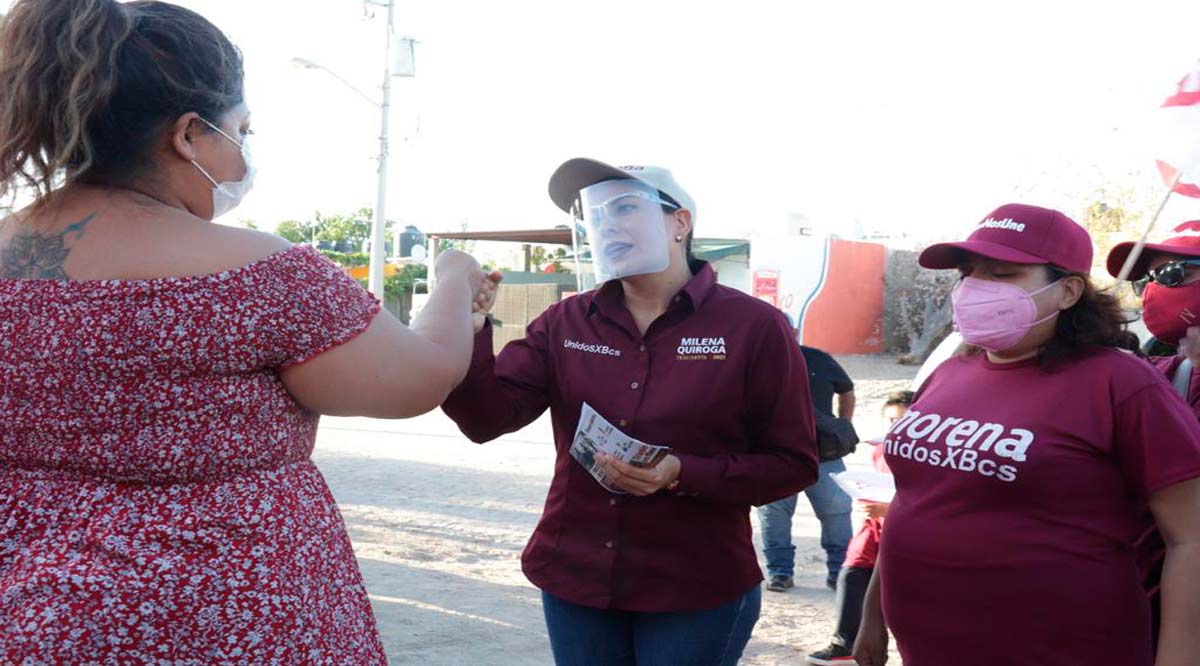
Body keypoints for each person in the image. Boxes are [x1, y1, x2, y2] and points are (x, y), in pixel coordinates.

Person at [0, 1, 488, 661]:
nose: (243, 153)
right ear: (189, 136)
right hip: (230, 622)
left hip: (28, 624)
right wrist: (455, 278)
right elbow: (417, 379)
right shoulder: (260, 274)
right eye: (241, 130)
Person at [441, 157, 819, 665]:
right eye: (594, 215)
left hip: (695, 589)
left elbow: (793, 463)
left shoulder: (754, 327)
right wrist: (469, 330)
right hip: (578, 582)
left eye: (625, 208)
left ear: (680, 222)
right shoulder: (565, 322)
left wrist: (682, 472)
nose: (606, 225)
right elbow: (486, 420)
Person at [853, 203, 1200, 666]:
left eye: (1002, 273)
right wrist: (871, 615)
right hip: (929, 643)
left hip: (1065, 647)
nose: (976, 288)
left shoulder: (1121, 383)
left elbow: (1190, 538)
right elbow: (914, 498)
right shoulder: (952, 372)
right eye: (968, 272)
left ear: (1069, 291)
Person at [1107, 220, 1200, 646]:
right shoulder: (1153, 377)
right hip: (1144, 615)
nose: (1153, 290)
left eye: (1173, 274)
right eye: (1147, 279)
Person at [805, 390, 912, 665]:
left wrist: (891, 509)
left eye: (901, 420)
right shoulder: (881, 449)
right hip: (874, 526)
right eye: (890, 421)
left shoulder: (929, 454)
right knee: (852, 574)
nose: (894, 427)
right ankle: (843, 643)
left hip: (908, 530)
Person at [757, 324, 855, 592]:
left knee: (837, 514)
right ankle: (779, 573)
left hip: (824, 455)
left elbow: (846, 389)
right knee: (774, 516)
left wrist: (843, 425)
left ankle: (840, 574)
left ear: (795, 331)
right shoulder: (754, 361)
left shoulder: (819, 358)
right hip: (775, 456)